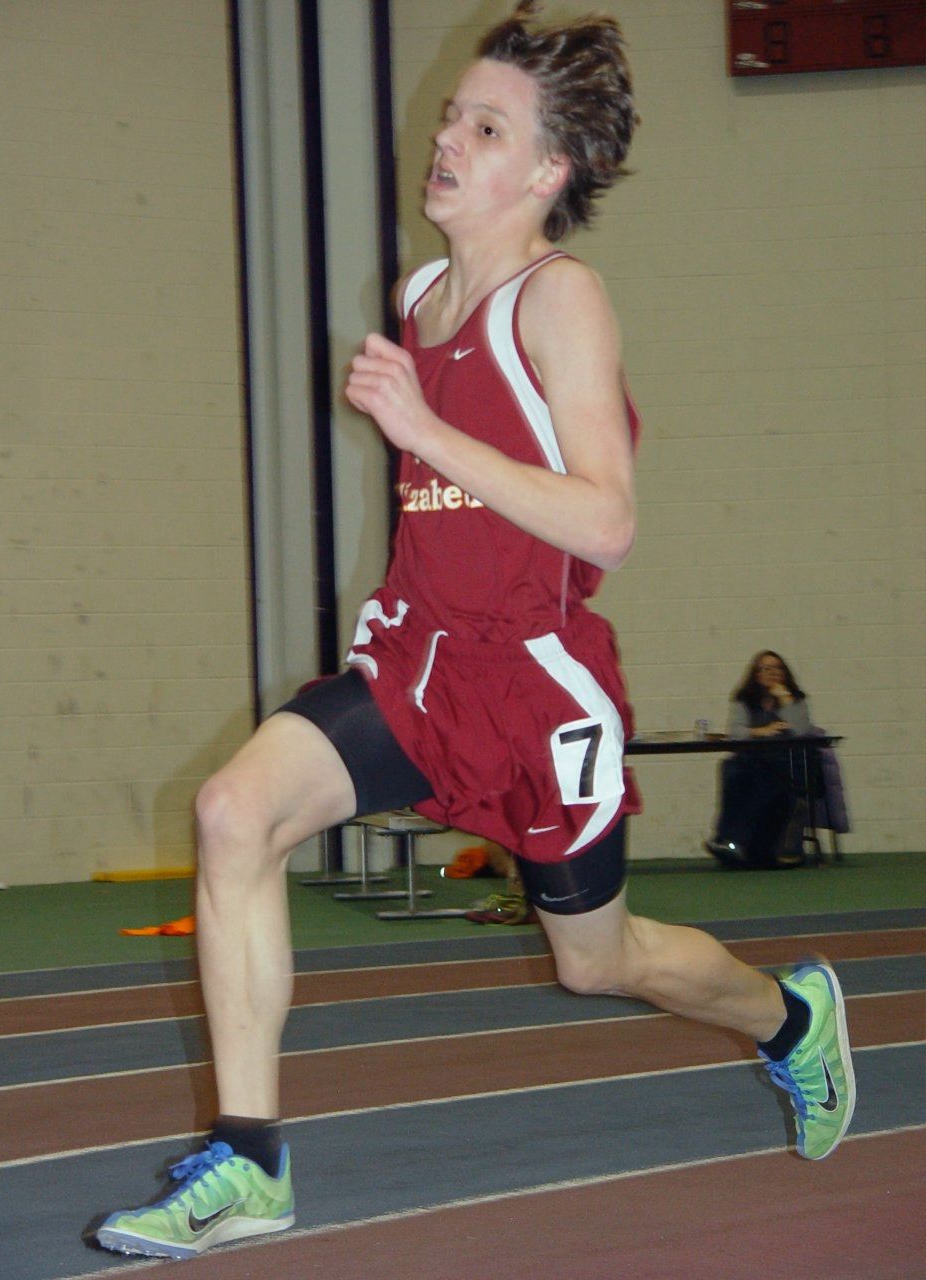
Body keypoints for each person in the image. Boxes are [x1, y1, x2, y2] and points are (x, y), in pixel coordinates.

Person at [95, 4, 855, 1260]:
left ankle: (790, 1017)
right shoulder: (420, 294)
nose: (447, 136)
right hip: (417, 660)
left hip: (533, 685)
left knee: (596, 961)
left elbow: (606, 520)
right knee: (234, 812)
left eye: (487, 127)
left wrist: (425, 432)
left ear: (549, 171)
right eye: (454, 113)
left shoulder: (562, 300)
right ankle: (250, 1160)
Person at [706, 650, 815, 869]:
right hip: (752, 760)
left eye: (777, 668)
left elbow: (802, 731)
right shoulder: (743, 699)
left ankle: (731, 841)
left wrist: (784, 699)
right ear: (756, 674)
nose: (772, 673)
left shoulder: (796, 699)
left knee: (753, 776)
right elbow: (735, 732)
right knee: (731, 768)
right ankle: (728, 840)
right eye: (765, 668)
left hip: (787, 763)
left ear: (784, 672)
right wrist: (762, 731)